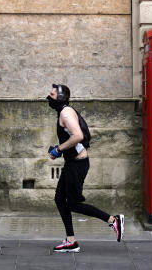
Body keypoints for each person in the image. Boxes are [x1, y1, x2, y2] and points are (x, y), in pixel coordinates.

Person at [45, 83, 124, 253]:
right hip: (72, 162)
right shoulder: (64, 111)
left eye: (51, 94)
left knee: (72, 204)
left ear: (59, 97)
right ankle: (71, 241)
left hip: (77, 164)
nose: (48, 97)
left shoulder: (65, 112)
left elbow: (78, 136)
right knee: (59, 199)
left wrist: (58, 149)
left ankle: (112, 220)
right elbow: (73, 138)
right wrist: (59, 150)